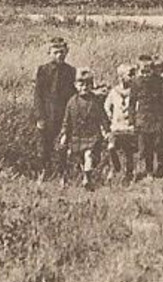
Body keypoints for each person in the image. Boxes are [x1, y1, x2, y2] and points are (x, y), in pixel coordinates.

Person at [33, 37, 77, 181]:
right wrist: (39, 117)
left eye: (62, 52)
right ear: (49, 52)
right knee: (43, 147)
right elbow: (38, 95)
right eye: (56, 52)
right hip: (46, 113)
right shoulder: (43, 70)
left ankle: (62, 175)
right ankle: (43, 173)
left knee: (62, 146)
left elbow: (73, 96)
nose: (60, 55)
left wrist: (71, 116)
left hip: (63, 114)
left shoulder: (71, 71)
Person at [60, 68, 109, 190]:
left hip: (92, 134)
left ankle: (87, 178)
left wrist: (106, 130)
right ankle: (67, 178)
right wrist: (64, 134)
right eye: (81, 84)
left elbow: (103, 117)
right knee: (73, 156)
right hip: (77, 134)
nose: (85, 87)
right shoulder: (72, 102)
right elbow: (67, 120)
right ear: (76, 85)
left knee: (89, 155)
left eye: (88, 84)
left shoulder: (95, 101)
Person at [132, 55, 163, 179]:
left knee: (159, 143)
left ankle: (161, 167)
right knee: (147, 146)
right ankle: (149, 171)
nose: (146, 75)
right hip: (143, 118)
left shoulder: (159, 81)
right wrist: (132, 119)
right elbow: (132, 102)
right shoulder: (136, 82)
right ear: (138, 70)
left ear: (152, 69)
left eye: (148, 71)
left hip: (157, 117)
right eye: (143, 72)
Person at [105, 63, 137, 181]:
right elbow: (106, 106)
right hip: (116, 127)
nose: (132, 77)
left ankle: (128, 174)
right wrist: (110, 117)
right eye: (130, 75)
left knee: (128, 151)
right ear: (121, 77)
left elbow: (137, 106)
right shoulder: (114, 92)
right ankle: (114, 168)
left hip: (129, 127)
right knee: (111, 146)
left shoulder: (134, 91)